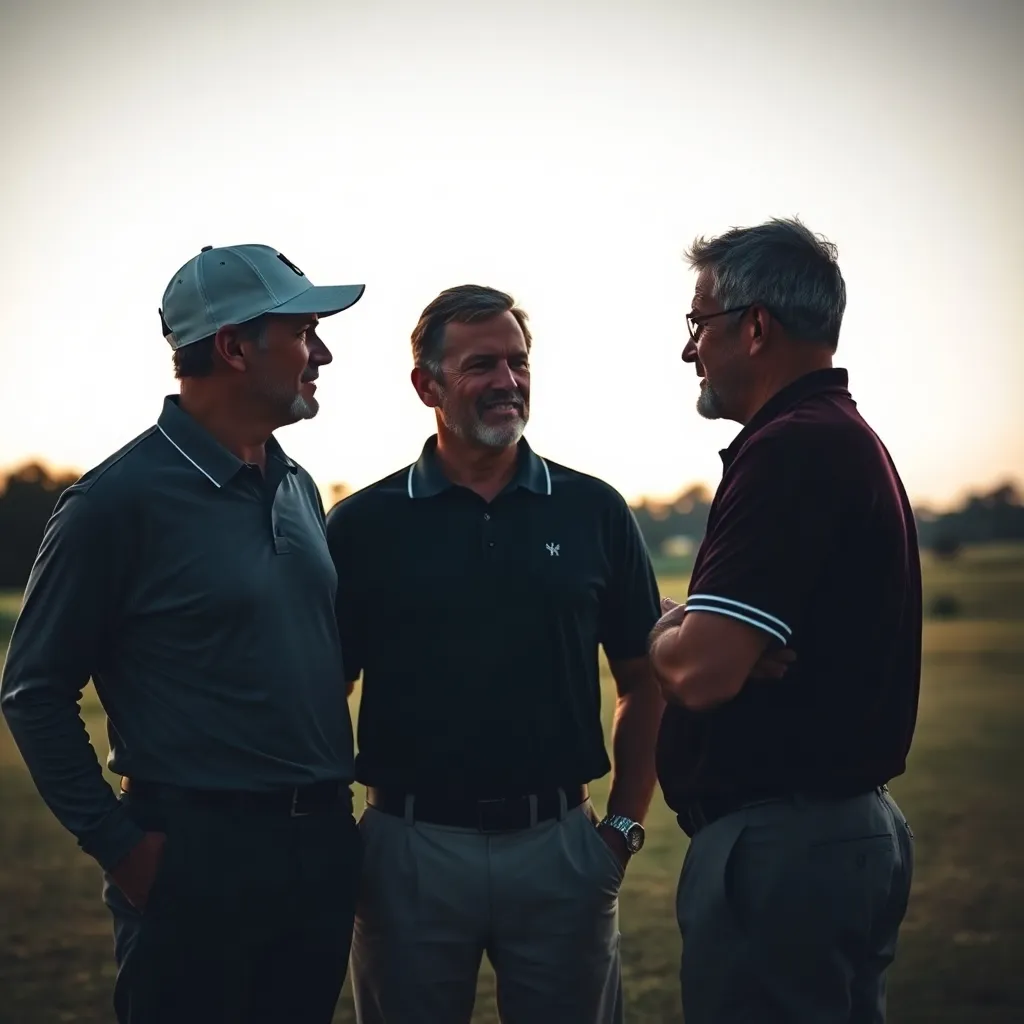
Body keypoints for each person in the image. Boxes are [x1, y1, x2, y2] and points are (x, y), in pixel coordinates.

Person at [1, 243, 367, 1024]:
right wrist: (122, 848)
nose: (324, 353)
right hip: (196, 855)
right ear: (234, 346)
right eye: (304, 331)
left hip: (321, 848)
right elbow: (34, 693)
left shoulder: (298, 485)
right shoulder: (112, 503)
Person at [325, 284, 664, 1024]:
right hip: (406, 851)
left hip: (563, 848)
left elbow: (643, 679)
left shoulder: (594, 509)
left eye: (519, 361)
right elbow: (321, 694)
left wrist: (623, 830)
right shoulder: (359, 526)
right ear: (427, 385)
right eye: (482, 365)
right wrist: (340, 840)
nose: (508, 382)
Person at [650, 217, 920, 1024]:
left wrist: (670, 628)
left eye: (698, 324)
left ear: (755, 326)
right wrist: (707, 634)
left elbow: (700, 672)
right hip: (832, 836)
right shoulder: (840, 437)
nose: (690, 350)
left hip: (784, 850)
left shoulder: (792, 449)